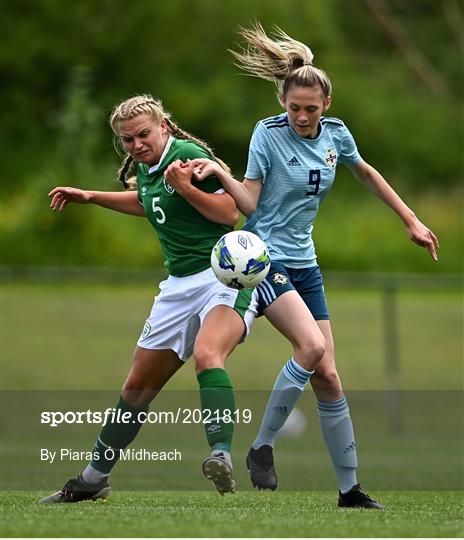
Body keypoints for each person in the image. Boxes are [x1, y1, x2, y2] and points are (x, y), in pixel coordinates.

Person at [189, 23, 439, 509]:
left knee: (328, 376)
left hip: (307, 264)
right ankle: (262, 445)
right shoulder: (267, 133)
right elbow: (249, 203)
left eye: (311, 108)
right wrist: (220, 172)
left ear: (326, 104)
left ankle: (350, 491)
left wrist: (410, 219)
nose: (302, 116)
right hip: (266, 260)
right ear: (284, 103)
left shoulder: (337, 136)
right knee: (311, 345)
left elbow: (365, 171)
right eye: (294, 108)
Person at [39, 95, 258, 503]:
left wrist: (185, 187)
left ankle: (221, 456)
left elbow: (229, 215)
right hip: (177, 287)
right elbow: (149, 202)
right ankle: (92, 480)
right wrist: (90, 196)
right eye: (127, 140)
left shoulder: (187, 156)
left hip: (221, 277)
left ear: (164, 126)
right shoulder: (147, 165)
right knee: (137, 387)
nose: (137, 144)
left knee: (208, 355)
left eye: (143, 134)